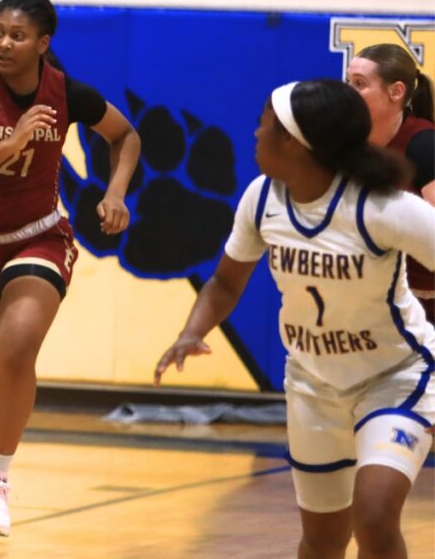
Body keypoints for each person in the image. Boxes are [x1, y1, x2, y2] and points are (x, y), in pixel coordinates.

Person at [154, 80, 434, 559]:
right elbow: (224, 283)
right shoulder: (262, 199)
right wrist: (191, 331)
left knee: (373, 515)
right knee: (322, 540)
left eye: (265, 124)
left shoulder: (382, 206)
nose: (255, 133)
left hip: (395, 378)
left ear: (296, 141)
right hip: (312, 385)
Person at [0, 0, 140, 536]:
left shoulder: (66, 92)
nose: (3, 43)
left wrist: (115, 193)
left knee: (17, 348)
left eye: (17, 35)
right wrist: (9, 143)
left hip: (37, 235)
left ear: (42, 43)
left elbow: (125, 136)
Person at [347, 44, 435, 323]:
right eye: (348, 82)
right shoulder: (350, 145)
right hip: (375, 297)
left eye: (359, 84)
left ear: (396, 92)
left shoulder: (424, 144)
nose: (349, 93)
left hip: (425, 306)